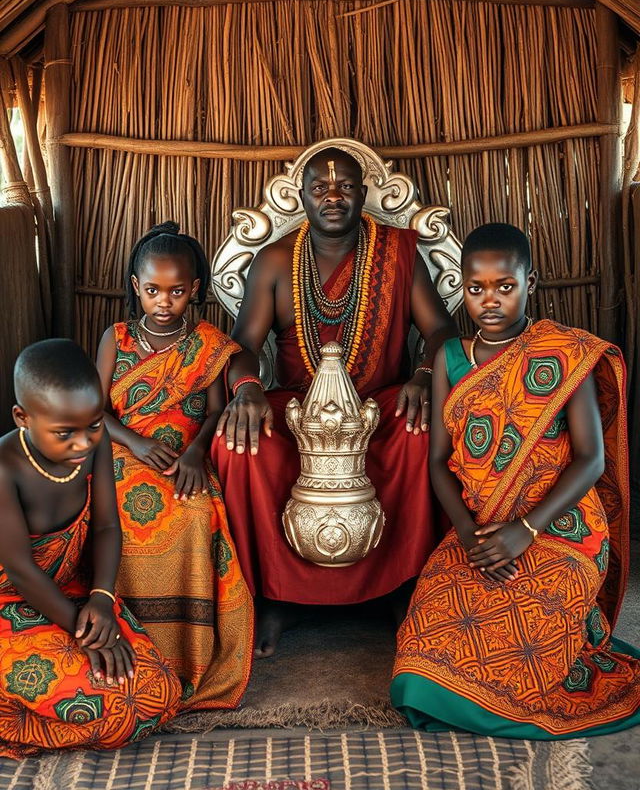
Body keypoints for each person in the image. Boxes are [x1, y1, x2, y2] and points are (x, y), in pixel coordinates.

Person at [392, 222, 640, 737]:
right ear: (461, 288)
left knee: (528, 633)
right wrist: (464, 531)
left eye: (505, 286)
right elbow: (439, 459)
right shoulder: (448, 358)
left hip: (563, 529)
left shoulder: (563, 354)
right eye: (475, 288)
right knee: (419, 654)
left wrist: (524, 530)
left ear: (532, 283)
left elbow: (590, 460)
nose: (489, 300)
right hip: (480, 529)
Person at [212, 147, 457, 657]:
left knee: (419, 434)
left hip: (381, 405)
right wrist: (248, 389)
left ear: (363, 194)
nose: (332, 196)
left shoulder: (399, 251)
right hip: (297, 407)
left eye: (345, 187)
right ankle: (273, 596)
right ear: (301, 196)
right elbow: (242, 348)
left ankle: (401, 587)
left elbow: (440, 331)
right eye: (320, 188)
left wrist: (423, 374)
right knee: (241, 447)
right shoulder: (276, 260)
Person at [96, 221, 253, 711]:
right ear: (136, 288)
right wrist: (136, 444)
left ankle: (186, 657)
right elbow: (95, 410)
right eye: (153, 290)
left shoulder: (207, 344)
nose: (164, 301)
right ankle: (127, 650)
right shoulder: (115, 338)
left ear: (195, 291)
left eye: (177, 292)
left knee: (192, 512)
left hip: (184, 455)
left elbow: (213, 412)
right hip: (123, 450)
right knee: (116, 509)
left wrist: (195, 452)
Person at [0, 340, 182, 758]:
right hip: (12, 599)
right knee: (108, 706)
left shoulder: (95, 443)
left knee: (159, 692)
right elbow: (22, 571)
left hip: (71, 595)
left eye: (94, 425)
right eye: (65, 433)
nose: (83, 443)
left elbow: (104, 526)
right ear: (22, 417)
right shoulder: (5, 467)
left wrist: (101, 599)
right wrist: (87, 635)